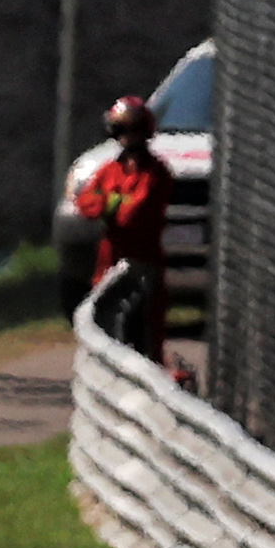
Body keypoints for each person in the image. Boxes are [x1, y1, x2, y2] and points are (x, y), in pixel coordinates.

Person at [81, 90, 175, 359]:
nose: (127, 136)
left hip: (144, 264)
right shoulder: (109, 170)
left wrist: (108, 204)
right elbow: (85, 201)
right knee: (105, 329)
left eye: (133, 129)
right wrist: (112, 203)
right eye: (121, 129)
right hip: (108, 264)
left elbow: (132, 215)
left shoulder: (156, 172)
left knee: (145, 336)